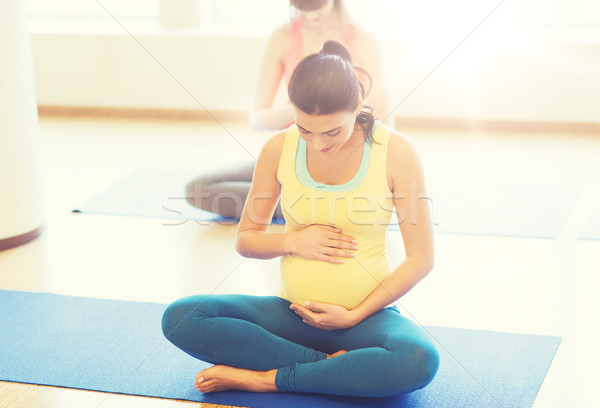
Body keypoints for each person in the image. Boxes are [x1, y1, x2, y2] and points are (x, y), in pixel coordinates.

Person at [162, 40, 438, 397]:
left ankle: (264, 378)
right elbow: (246, 239)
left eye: (332, 132)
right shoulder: (278, 148)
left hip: (366, 319)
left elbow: (421, 259)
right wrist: (293, 241)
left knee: (418, 358)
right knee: (181, 317)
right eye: (305, 129)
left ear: (357, 104)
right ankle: (331, 366)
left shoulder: (397, 151)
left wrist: (353, 315)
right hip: (289, 313)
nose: (318, 143)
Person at [185, 0, 391, 220]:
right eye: (301, 7)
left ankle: (318, 206)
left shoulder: (364, 41)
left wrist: (338, 117)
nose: (311, 15)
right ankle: (319, 208)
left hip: (347, 157)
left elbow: (385, 125)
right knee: (198, 189)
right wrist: (305, 107)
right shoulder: (282, 38)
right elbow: (258, 119)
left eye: (317, 6)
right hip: (294, 155)